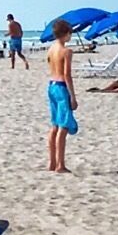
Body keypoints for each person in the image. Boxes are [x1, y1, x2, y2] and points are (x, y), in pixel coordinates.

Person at [45, 18, 78, 172]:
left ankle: (52, 162)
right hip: (61, 87)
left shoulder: (51, 49)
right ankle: (60, 164)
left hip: (51, 85)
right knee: (63, 126)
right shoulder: (66, 51)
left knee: (55, 125)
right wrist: (73, 96)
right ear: (66, 33)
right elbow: (67, 75)